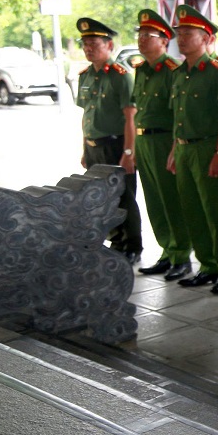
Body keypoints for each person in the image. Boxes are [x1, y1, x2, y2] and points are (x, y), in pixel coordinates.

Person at [166, 5, 218, 292]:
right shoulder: (179, 73)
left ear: (206, 38)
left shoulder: (216, 71)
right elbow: (178, 115)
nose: (181, 39)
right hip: (184, 148)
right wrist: (174, 149)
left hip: (208, 147)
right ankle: (206, 265)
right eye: (179, 33)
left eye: (188, 33)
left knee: (216, 211)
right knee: (192, 210)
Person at [75, 17, 143, 264]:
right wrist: (85, 148)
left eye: (94, 43)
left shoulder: (120, 76)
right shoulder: (85, 76)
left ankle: (133, 244)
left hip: (115, 145)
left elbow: (130, 117)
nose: (88, 48)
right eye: (85, 44)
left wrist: (129, 152)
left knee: (124, 196)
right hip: (94, 146)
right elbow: (87, 114)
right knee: (102, 197)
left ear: (109, 46)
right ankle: (116, 241)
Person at [132, 9, 193, 280]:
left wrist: (174, 148)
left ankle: (181, 255)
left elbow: (179, 113)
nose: (142, 40)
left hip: (164, 139)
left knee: (171, 199)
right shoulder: (141, 70)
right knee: (154, 200)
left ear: (164, 41)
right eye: (140, 35)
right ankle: (167, 251)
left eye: (149, 36)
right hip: (144, 140)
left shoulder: (172, 70)